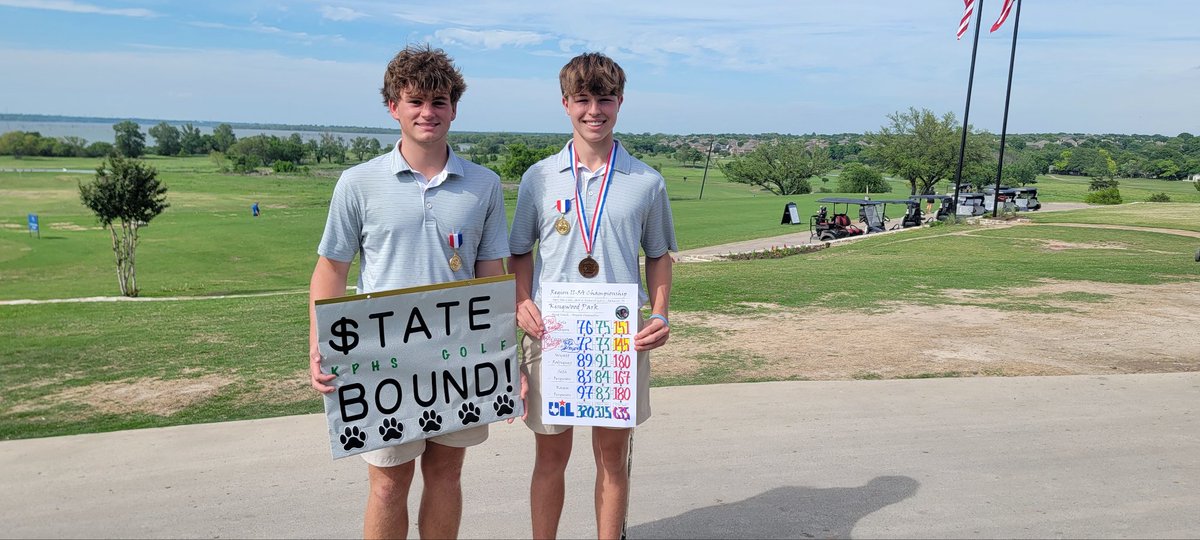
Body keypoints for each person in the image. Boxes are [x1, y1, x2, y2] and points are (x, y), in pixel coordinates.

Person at [307, 44, 509, 539]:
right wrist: (319, 341)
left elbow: (490, 273)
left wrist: (501, 358)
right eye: (415, 101)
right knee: (388, 484)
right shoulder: (358, 183)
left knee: (447, 475)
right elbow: (331, 268)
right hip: (384, 356)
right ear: (393, 107)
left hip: (458, 355)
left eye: (439, 101)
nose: (428, 112)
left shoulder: (484, 184)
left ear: (454, 109)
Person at [508, 52, 677, 539]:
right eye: (582, 99)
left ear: (620, 102)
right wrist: (522, 301)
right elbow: (519, 252)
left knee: (611, 458)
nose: (593, 111)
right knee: (550, 458)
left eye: (604, 98)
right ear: (565, 104)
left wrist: (661, 314)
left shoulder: (646, 180)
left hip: (619, 339)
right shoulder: (538, 177)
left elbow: (659, 254)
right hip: (552, 335)